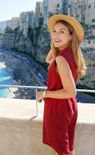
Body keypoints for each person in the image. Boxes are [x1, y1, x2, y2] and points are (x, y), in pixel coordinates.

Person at [36, 14, 87, 155]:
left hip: (59, 109)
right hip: (69, 107)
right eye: (54, 31)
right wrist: (56, 44)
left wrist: (44, 94)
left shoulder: (61, 59)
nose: (56, 35)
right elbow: (48, 60)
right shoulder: (69, 54)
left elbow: (71, 91)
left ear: (71, 36)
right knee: (68, 149)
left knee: (61, 151)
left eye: (62, 31)